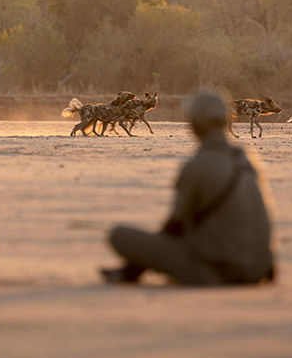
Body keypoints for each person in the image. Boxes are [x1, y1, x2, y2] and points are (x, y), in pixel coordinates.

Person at [102, 91, 276, 286]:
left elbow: (175, 225)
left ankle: (131, 272)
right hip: (259, 268)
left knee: (119, 235)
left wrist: (136, 266)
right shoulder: (245, 160)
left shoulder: (197, 166)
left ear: (193, 125)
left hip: (219, 270)